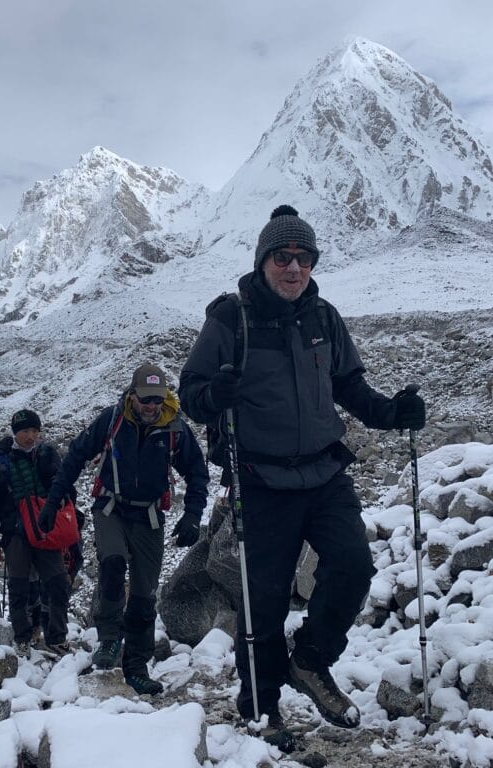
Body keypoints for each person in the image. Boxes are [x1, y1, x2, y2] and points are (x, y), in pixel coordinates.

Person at [179, 205, 425, 745]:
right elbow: (191, 394)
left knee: (354, 565)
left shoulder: (324, 318)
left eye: (304, 258)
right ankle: (261, 709)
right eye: (283, 257)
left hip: (324, 471)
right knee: (261, 600)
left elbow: (350, 385)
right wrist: (211, 395)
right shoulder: (230, 319)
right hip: (261, 480)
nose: (294, 268)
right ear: (263, 260)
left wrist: (389, 413)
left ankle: (311, 659)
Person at [38, 363, 210, 696]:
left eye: (157, 399)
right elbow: (75, 456)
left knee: (145, 594)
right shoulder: (112, 420)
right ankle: (108, 638)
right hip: (110, 507)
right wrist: (53, 501)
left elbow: (197, 473)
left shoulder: (174, 428)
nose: (152, 406)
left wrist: (192, 515)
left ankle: (137, 667)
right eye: (146, 398)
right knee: (113, 563)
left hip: (148, 517)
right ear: (132, 395)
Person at [0, 408, 74, 656]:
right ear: (15, 432)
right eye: (25, 431)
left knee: (57, 583)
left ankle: (56, 637)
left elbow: (64, 487)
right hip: (15, 534)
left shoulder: (47, 455)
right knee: (19, 588)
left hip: (46, 531)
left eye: (35, 430)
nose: (31, 436)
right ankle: (22, 637)